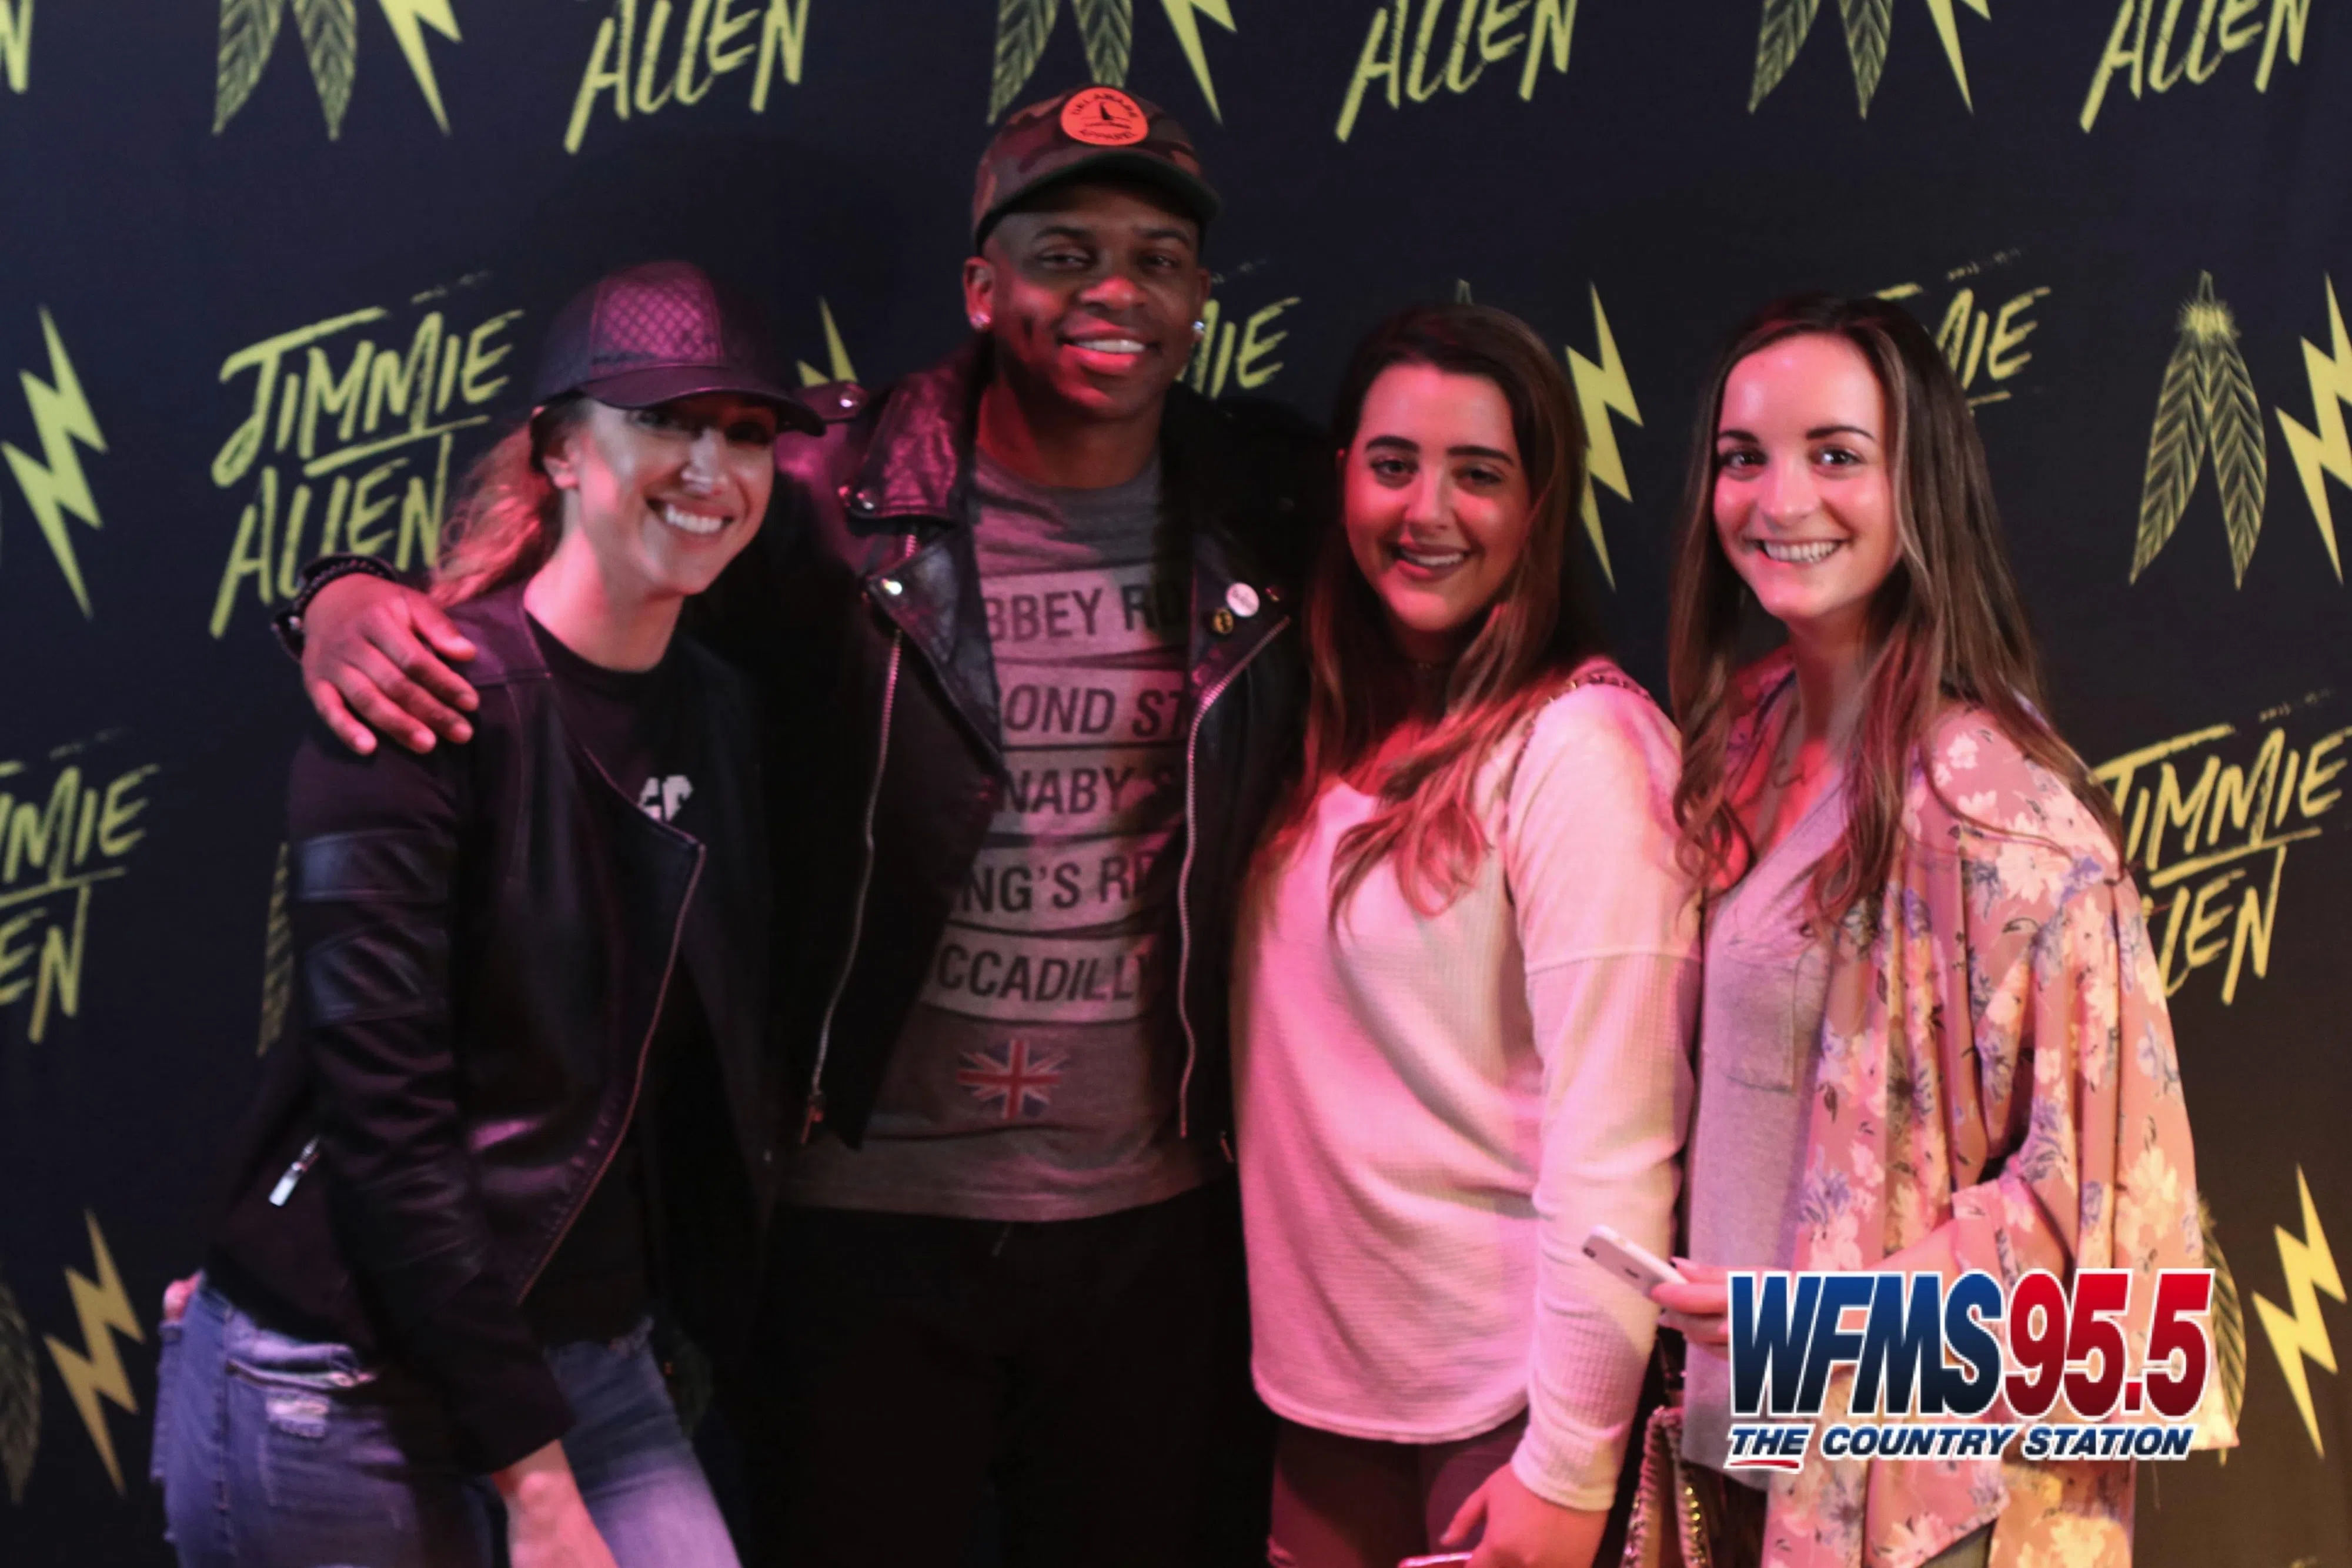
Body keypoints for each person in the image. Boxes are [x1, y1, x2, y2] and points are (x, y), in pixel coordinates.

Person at [275, 89, 1327, 1567]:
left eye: (1157, 259)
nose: (1115, 291)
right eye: (1064, 252)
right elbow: (588, 576)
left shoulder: (1265, 497)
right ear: (980, 287)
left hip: (1156, 1233)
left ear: (1201, 297)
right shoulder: (823, 489)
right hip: (861, 1229)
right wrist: (337, 595)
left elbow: (1458, 584)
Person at [155, 261, 812, 1568]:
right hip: (349, 1375)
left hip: (591, 1361)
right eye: (663, 419)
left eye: (744, 432)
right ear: (561, 450)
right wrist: (539, 1490)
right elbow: (389, 1126)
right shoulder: (422, 702)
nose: (709, 466)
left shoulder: (724, 713)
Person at [1647, 294, 2223, 1568]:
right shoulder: (1734, 741)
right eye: (1743, 457)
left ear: (1921, 484)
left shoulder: (2002, 816)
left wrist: (1813, 1327)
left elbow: (2103, 1228)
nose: (1779, 497)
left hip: (1912, 1498)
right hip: (1728, 1445)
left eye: (1835, 454)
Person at [1233, 303, 1698, 1568]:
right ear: (1342, 476)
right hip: (1321, 1399)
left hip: (1501, 1410)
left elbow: (1618, 1150)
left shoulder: (1584, 752)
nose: (1426, 510)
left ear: (1539, 505)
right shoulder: (1315, 719)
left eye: (1477, 474)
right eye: (1394, 464)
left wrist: (1568, 1463)